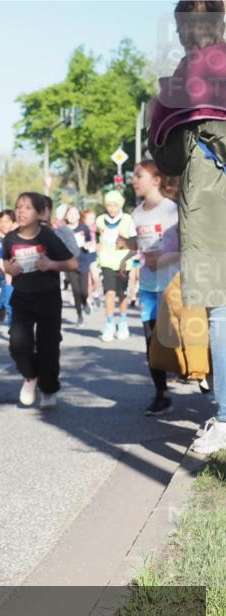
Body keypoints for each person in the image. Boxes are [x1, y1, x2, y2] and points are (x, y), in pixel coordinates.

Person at [150, 0, 226, 454]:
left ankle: (225, 417)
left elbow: (171, 157)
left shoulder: (185, 78)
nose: (179, 37)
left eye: (181, 29)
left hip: (210, 208)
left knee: (220, 312)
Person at [3, 193, 78, 410]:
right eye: (18, 207)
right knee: (18, 344)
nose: (21, 211)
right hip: (22, 297)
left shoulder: (47, 237)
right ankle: (30, 377)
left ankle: (48, 388)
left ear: (39, 213)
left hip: (48, 297)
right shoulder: (10, 238)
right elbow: (6, 264)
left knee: (49, 346)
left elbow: (72, 263)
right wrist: (10, 269)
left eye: (27, 208)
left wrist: (52, 265)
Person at [129, 160, 180, 417]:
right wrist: (129, 253)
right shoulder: (136, 214)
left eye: (139, 175)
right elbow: (141, 246)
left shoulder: (172, 211)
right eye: (134, 176)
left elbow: (187, 248)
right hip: (148, 287)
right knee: (151, 343)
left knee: (177, 340)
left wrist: (163, 258)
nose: (134, 180)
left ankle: (201, 376)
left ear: (156, 180)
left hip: (173, 287)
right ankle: (162, 395)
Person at [95, 190, 137, 342]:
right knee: (109, 293)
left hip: (123, 263)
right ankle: (109, 324)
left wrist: (126, 253)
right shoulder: (100, 220)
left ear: (120, 205)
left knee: (122, 294)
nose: (112, 208)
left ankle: (123, 322)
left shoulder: (127, 220)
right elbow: (99, 239)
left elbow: (134, 243)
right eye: (109, 205)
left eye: (115, 205)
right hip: (106, 262)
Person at [61, 204, 93, 325]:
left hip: (83, 261)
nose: (72, 216)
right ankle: (79, 315)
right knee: (76, 290)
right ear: (66, 217)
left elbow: (90, 240)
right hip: (70, 262)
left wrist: (88, 245)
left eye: (75, 213)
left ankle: (85, 303)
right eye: (70, 214)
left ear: (79, 216)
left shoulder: (84, 228)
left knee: (84, 291)